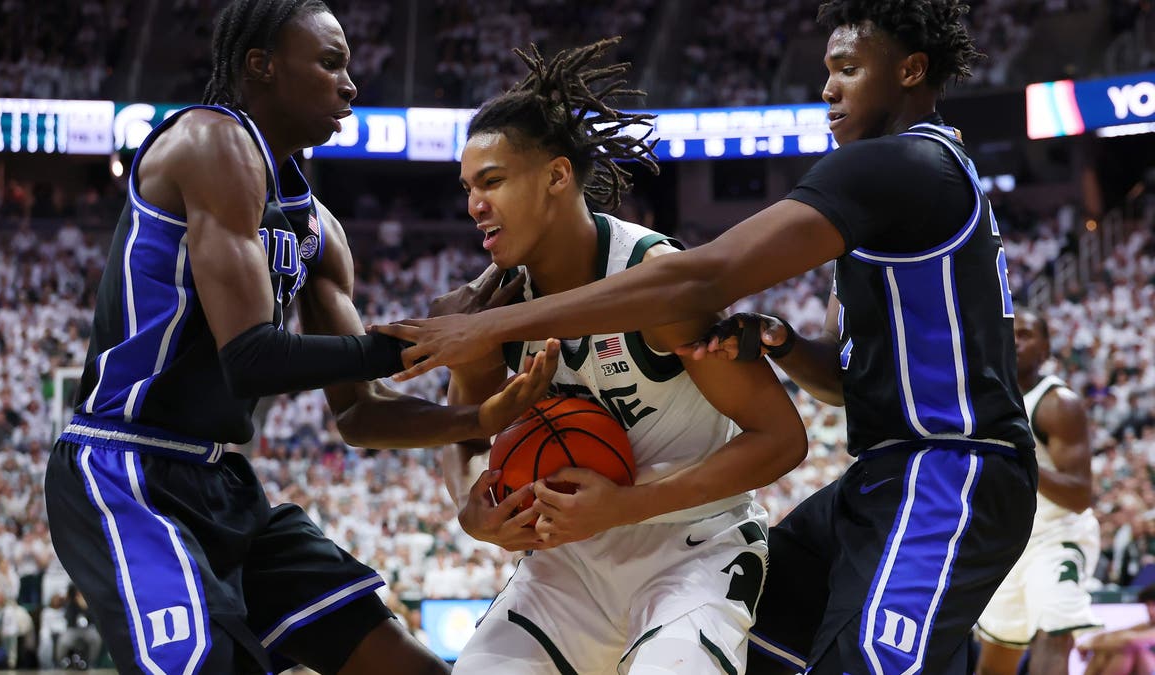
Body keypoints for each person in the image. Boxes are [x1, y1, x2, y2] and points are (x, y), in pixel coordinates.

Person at [376, 1, 1039, 672]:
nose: (827, 88)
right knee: (762, 641)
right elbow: (848, 385)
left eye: (847, 69)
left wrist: (487, 325)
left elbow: (707, 277)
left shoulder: (899, 164)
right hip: (883, 473)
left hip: (953, 468)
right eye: (827, 71)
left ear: (911, 70)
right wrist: (781, 341)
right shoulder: (899, 200)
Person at [43, 1, 557, 674]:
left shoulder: (320, 229)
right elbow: (250, 360)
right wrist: (429, 339)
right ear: (261, 65)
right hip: (126, 469)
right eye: (329, 63)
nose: (349, 85)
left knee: (405, 665)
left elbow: (358, 411)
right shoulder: (211, 141)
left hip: (220, 478)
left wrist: (477, 417)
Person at [432, 39, 808, 675]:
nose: (474, 205)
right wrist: (472, 504)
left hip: (692, 550)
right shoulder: (488, 307)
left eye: (492, 182)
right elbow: (465, 432)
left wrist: (625, 506)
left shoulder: (654, 281)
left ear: (557, 175)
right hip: (567, 567)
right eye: (469, 187)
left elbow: (781, 439)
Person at [975, 308, 1101, 675]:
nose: (1013, 338)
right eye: (1008, 330)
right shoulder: (980, 400)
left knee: (1054, 633)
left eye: (1026, 333)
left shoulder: (1057, 403)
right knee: (996, 658)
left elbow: (1080, 496)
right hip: (1005, 544)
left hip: (1057, 538)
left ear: (1046, 349)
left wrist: (1021, 460)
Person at [1077, 583, 1155, 675]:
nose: (1150, 611)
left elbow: (1130, 640)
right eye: (1148, 606)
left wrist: (1090, 644)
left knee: (1128, 651)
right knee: (1106, 651)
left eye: (1154, 605)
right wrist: (1091, 642)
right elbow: (1113, 635)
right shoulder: (1147, 625)